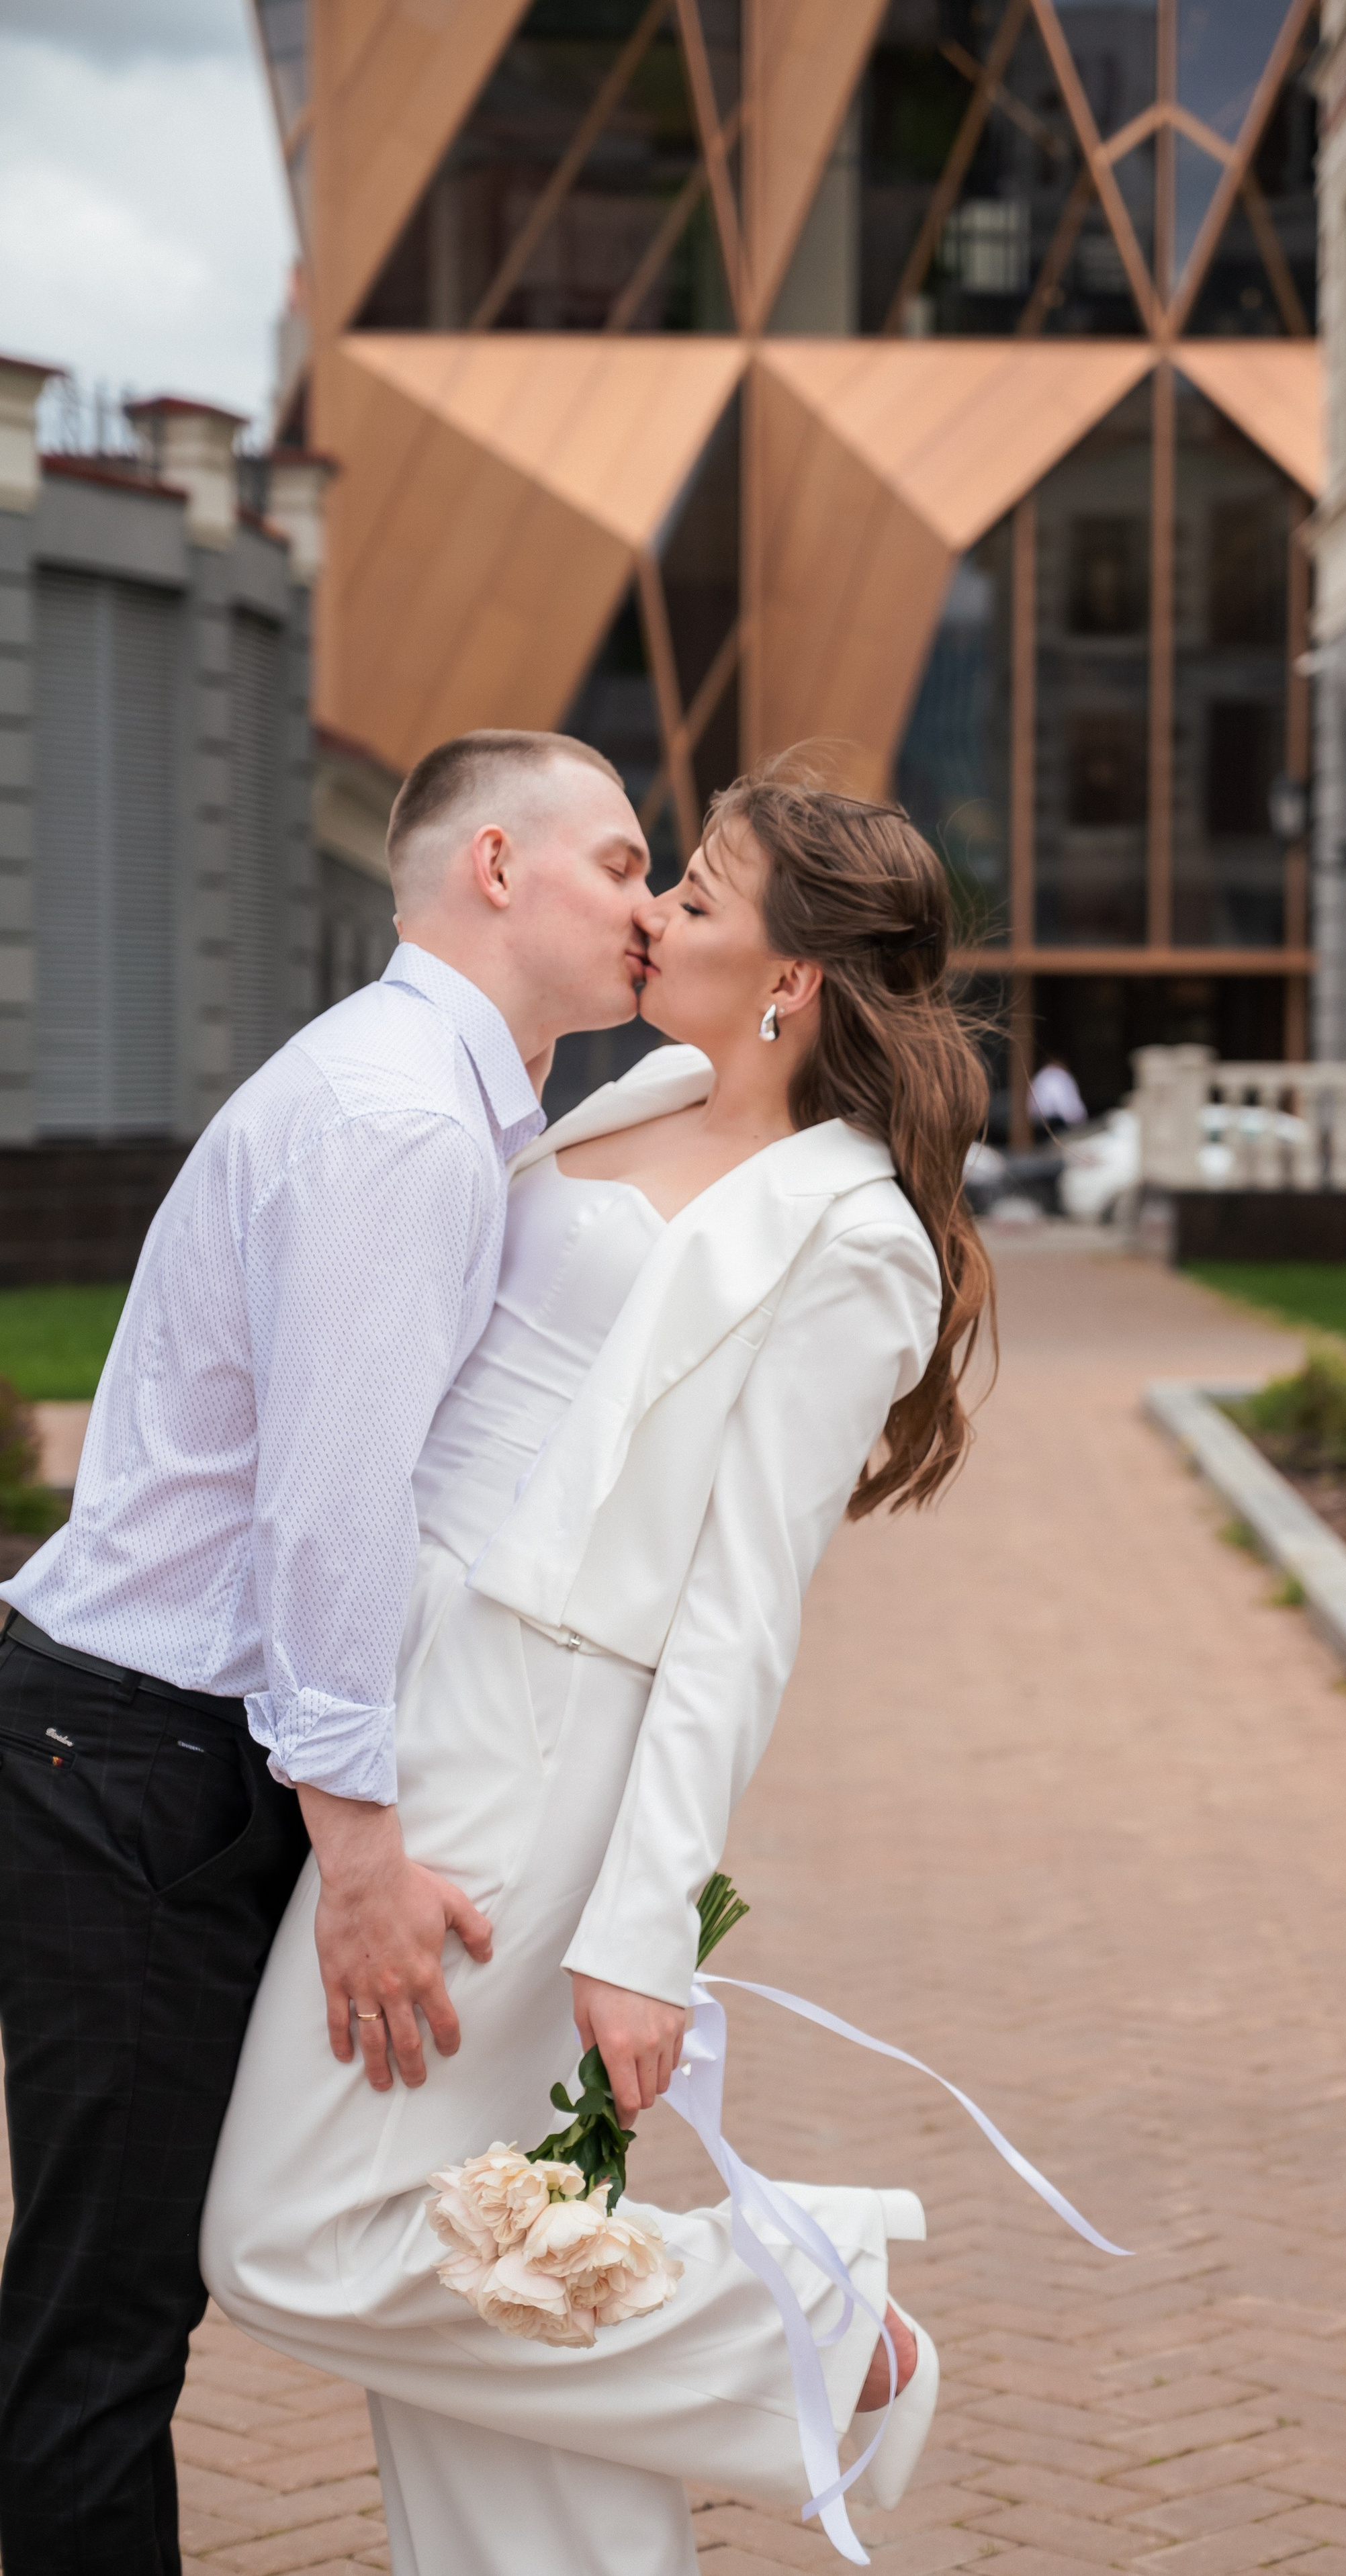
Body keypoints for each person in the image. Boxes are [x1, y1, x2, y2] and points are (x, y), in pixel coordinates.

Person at [201, 768, 995, 2576]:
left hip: (533, 1736)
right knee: (483, 2248)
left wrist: (644, 1932)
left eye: (696, 894)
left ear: (792, 978)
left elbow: (741, 1613)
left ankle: (820, 2326)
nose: (655, 915)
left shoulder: (852, 1236)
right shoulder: (635, 1092)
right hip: (416, 1676)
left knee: (294, 2234)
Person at [0, 731, 653, 2576]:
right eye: (621, 860)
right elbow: (330, 1503)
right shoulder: (400, 1121)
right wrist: (358, 1843)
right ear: (497, 867)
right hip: (136, 1758)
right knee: (103, 2310)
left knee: (130, 2290)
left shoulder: (436, 1102)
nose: (651, 898)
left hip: (164, 1749)